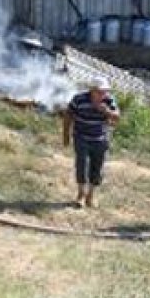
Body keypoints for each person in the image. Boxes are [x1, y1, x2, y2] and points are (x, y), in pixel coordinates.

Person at [62, 76, 121, 208]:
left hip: (100, 139)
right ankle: (81, 195)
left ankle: (90, 196)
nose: (102, 95)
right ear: (92, 90)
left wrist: (107, 112)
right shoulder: (79, 99)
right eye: (99, 92)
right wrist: (66, 135)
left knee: (97, 167)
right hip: (81, 137)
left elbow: (117, 117)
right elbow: (68, 115)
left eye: (104, 91)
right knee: (82, 165)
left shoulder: (108, 100)